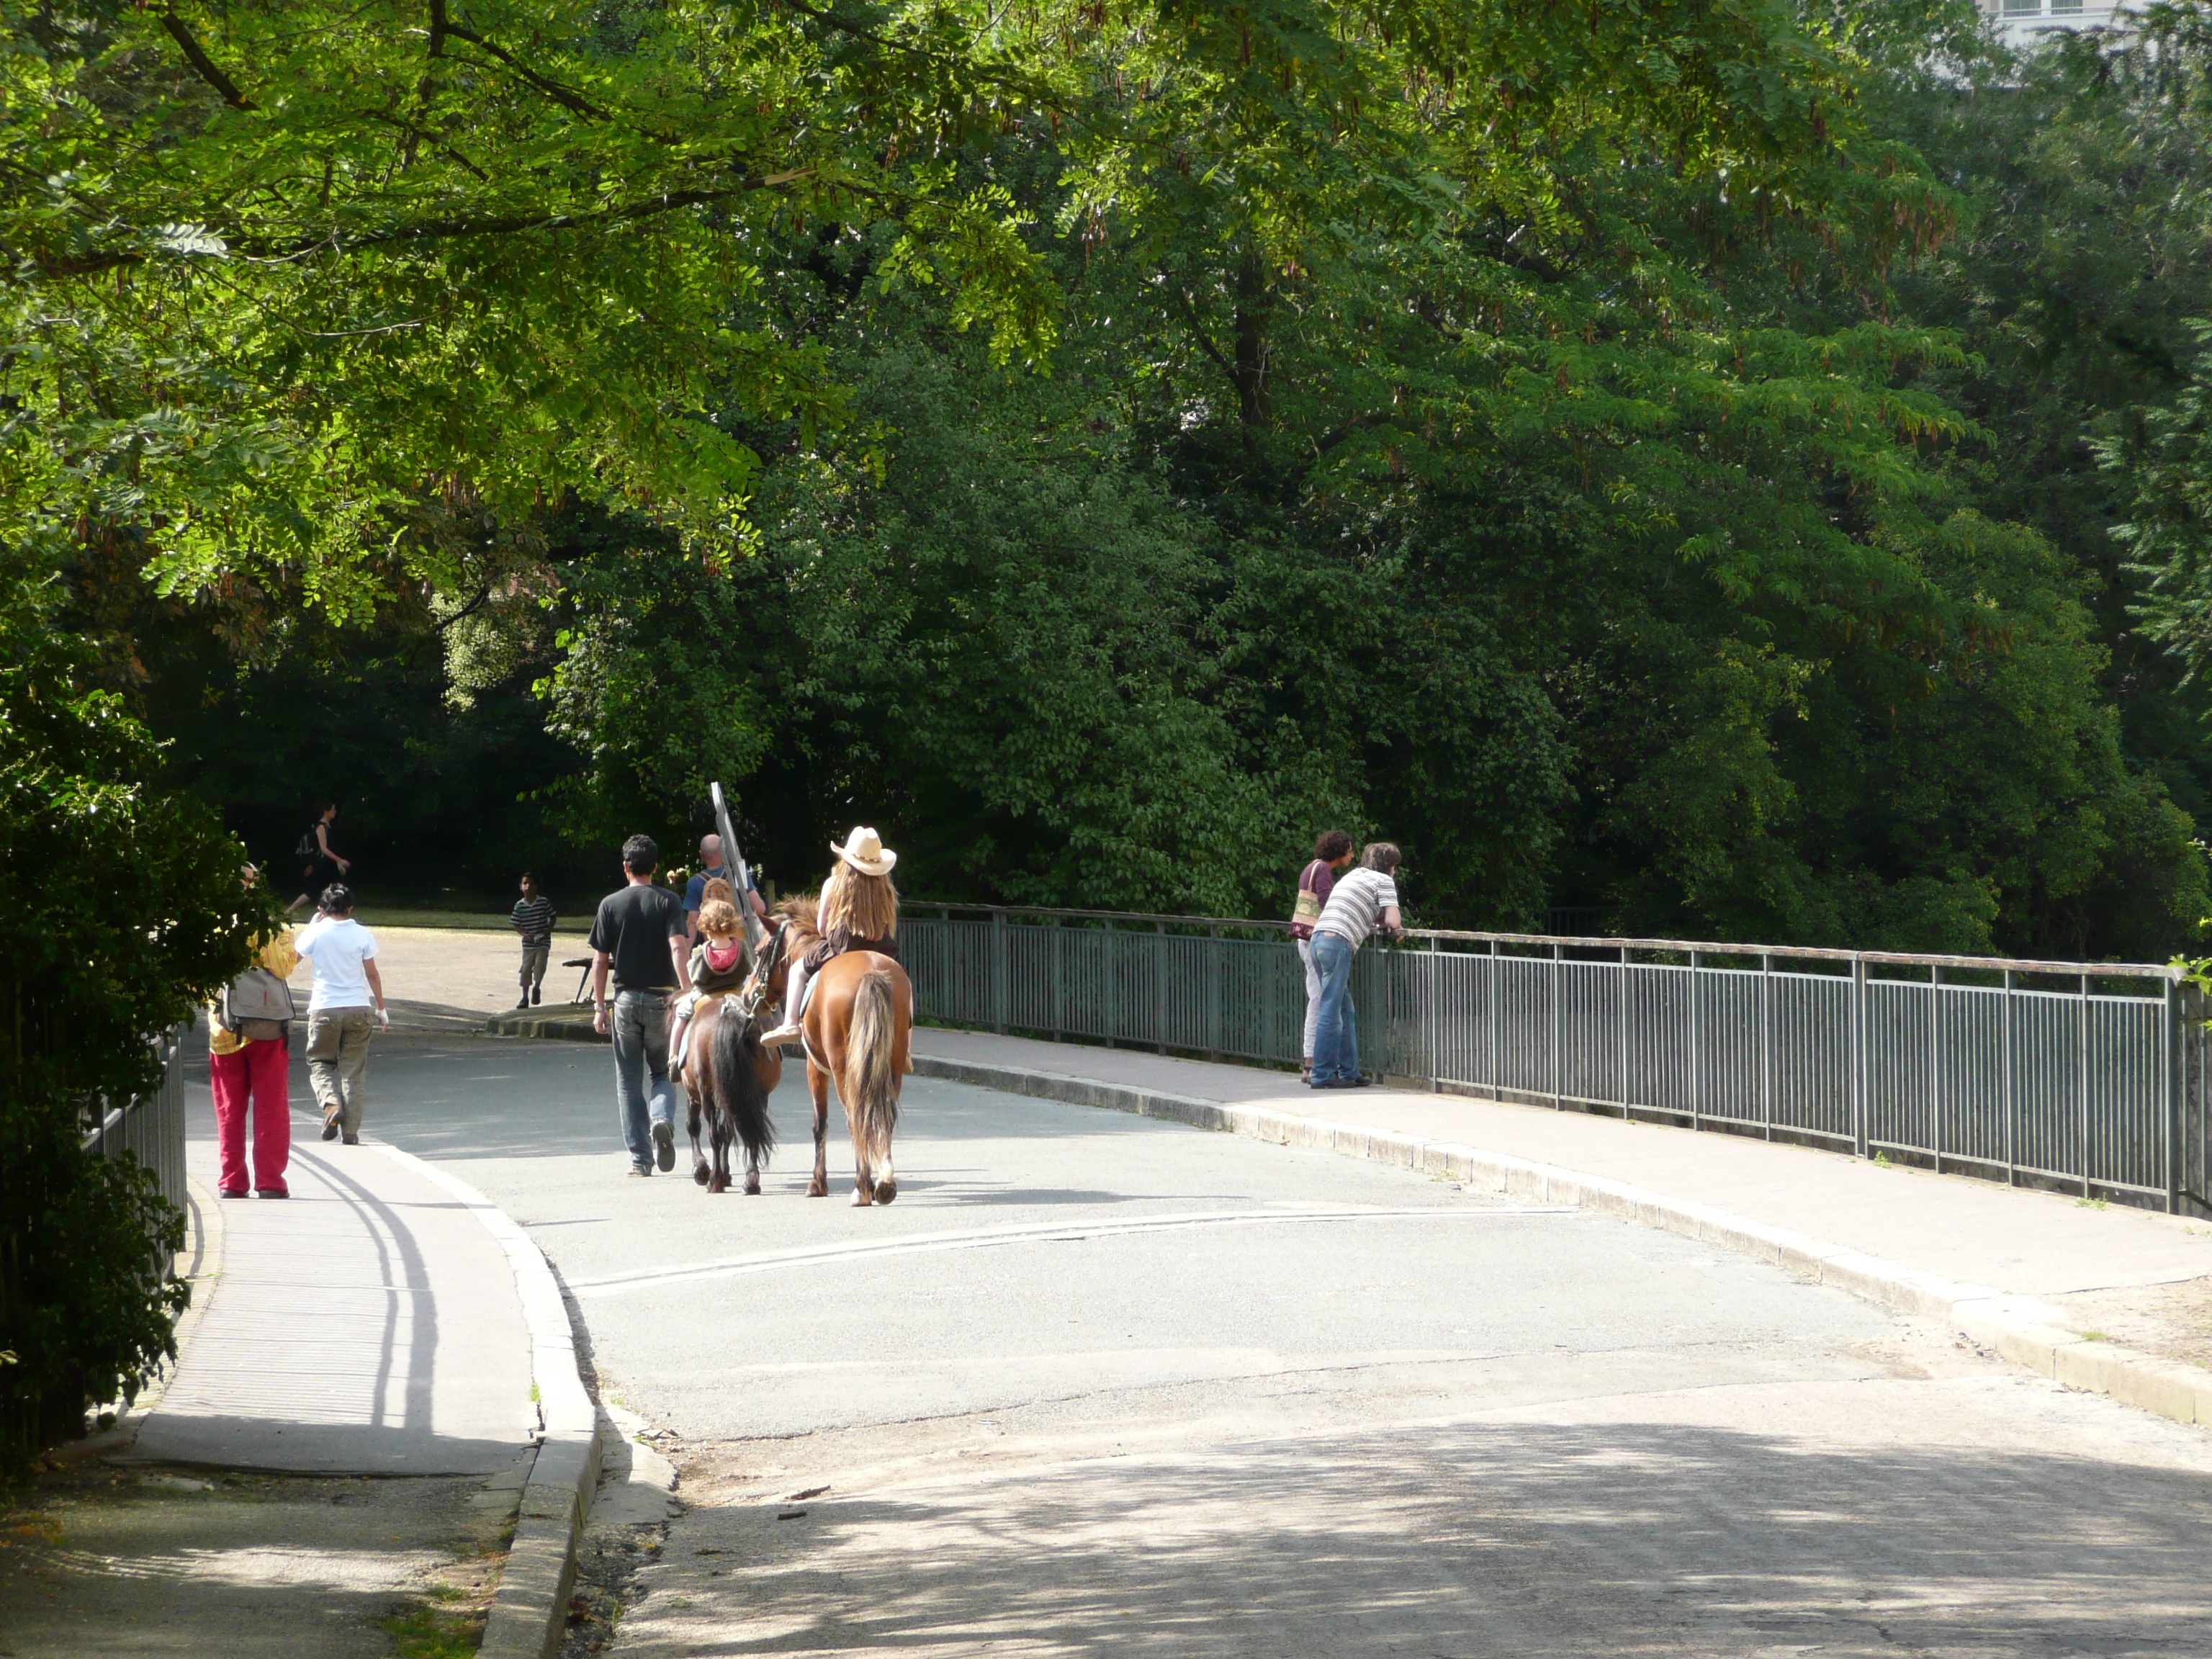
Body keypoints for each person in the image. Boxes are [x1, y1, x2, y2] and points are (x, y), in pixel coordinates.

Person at [589, 835, 693, 1177]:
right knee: (663, 1072)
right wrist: (687, 990)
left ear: (625, 867)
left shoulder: (610, 904)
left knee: (629, 1081)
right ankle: (661, 1118)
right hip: (661, 999)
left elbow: (600, 961)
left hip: (625, 1000)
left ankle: (640, 1160)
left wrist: (598, 1007)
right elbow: (679, 949)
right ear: (656, 867)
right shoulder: (669, 901)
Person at [761, 827, 900, 1049]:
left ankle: (790, 1024)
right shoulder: (886, 889)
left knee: (797, 971)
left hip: (842, 946)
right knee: (905, 989)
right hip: (880, 947)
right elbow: (889, 924)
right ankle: (906, 1048)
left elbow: (822, 927)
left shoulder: (834, 884)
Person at [208, 876, 300, 1198]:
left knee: (230, 1110)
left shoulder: (212, 925)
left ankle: (232, 1181)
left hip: (224, 1028)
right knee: (272, 1107)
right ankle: (271, 1182)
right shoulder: (276, 927)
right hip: (268, 1027)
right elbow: (283, 968)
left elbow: (198, 979)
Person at [295, 883, 388, 1141]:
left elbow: (291, 960)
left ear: (321, 909)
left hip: (324, 1007)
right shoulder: (362, 934)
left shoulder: (315, 932)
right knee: (353, 1072)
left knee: (320, 1062)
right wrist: (381, 1008)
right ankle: (351, 1133)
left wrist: (310, 929)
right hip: (359, 1008)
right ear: (350, 908)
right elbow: (372, 973)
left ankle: (331, 1104)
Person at [1308, 842, 1403, 1089]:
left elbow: (1363, 908)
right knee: (1331, 1010)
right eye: (1395, 867)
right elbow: (1394, 920)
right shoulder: (1384, 881)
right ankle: (1322, 1075)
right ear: (1389, 866)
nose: (1395, 872)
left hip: (1319, 939)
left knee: (1345, 1010)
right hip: (1338, 942)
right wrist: (1393, 926)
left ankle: (1349, 1071)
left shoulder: (1354, 875)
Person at [1290, 830, 1355, 1079]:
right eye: (1349, 850)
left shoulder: (1311, 867)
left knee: (1317, 1000)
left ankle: (1311, 1061)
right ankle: (1313, 1064)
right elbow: (1328, 902)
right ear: (1339, 852)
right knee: (1321, 1001)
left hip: (1305, 939)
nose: (1351, 855)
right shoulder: (1324, 871)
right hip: (1316, 939)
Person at [669, 888, 752, 1069]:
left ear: (705, 926)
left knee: (681, 1015)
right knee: (759, 1016)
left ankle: (674, 1057)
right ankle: (771, 1050)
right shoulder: (742, 947)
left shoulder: (701, 952)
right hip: (736, 993)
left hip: (706, 995)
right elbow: (748, 969)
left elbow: (696, 977)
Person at [685, 833, 767, 945]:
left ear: (702, 854)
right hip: (740, 943)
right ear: (724, 852)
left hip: (713, 945)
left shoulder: (695, 882)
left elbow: (692, 922)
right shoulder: (738, 874)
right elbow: (760, 908)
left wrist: (685, 953)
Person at [287, 801, 350, 914]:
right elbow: (324, 849)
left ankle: (330, 913)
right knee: (313, 891)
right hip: (325, 865)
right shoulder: (321, 827)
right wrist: (341, 861)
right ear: (326, 811)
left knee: (331, 890)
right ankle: (289, 911)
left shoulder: (329, 827)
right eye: (333, 810)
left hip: (331, 865)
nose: (335, 812)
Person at [511, 873, 558, 1008]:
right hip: (528, 943)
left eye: (531, 883)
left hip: (543, 941)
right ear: (521, 887)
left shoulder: (543, 902)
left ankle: (537, 987)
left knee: (540, 966)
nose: (528, 886)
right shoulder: (519, 905)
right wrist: (524, 934)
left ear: (537, 887)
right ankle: (524, 997)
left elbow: (553, 917)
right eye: (525, 883)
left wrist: (548, 929)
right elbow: (515, 923)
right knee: (526, 969)